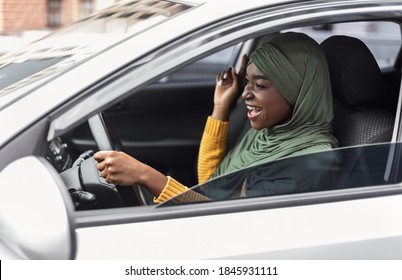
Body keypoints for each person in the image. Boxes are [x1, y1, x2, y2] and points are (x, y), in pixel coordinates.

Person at [94, 32, 338, 204]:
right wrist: (221, 105)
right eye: (247, 82)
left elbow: (227, 225)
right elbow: (212, 183)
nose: (245, 94)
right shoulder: (271, 133)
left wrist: (147, 176)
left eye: (260, 85)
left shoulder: (309, 160)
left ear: (296, 90)